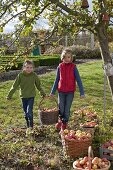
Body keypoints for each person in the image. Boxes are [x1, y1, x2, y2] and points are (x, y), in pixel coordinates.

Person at [6, 60, 46, 135]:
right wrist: (9, 95)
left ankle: (31, 127)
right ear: (24, 67)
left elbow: (38, 85)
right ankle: (28, 126)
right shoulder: (20, 76)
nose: (29, 69)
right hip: (23, 97)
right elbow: (14, 86)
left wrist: (43, 94)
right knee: (25, 113)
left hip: (31, 96)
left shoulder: (34, 75)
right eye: (27, 67)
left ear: (33, 68)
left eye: (31, 67)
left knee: (29, 112)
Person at [50, 49, 85, 131]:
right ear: (62, 58)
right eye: (65, 57)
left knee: (67, 109)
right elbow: (56, 80)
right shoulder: (60, 67)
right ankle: (60, 120)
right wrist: (52, 92)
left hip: (70, 92)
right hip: (61, 91)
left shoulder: (73, 67)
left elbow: (79, 80)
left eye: (68, 57)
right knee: (61, 108)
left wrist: (82, 92)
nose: (66, 59)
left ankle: (64, 123)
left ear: (71, 58)